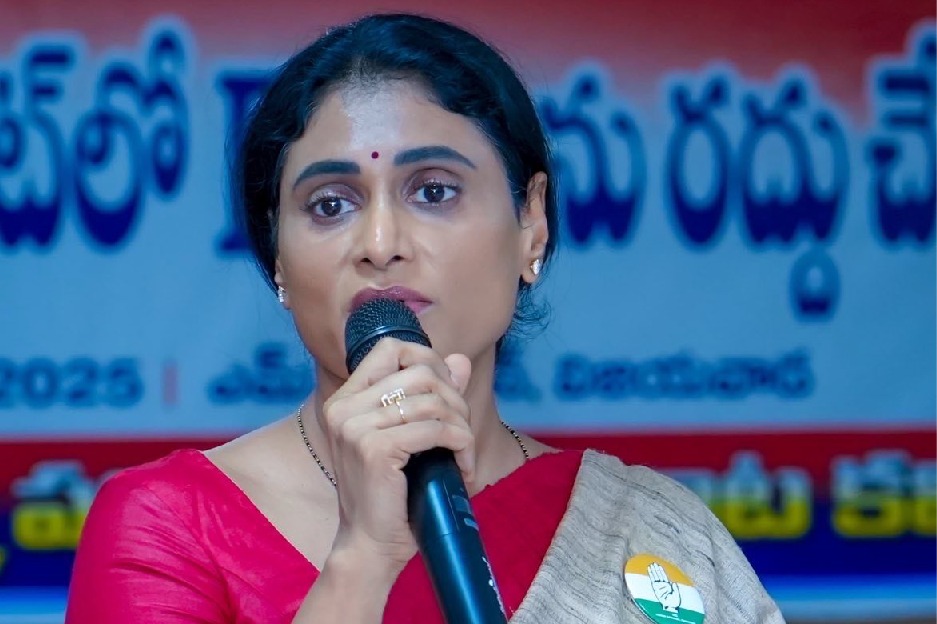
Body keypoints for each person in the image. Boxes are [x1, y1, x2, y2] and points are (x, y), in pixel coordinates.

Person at [65, 12, 785, 624]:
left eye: (434, 191)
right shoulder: (170, 526)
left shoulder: (650, 531)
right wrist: (363, 557)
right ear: (276, 257)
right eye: (330, 205)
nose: (380, 244)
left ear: (530, 224)